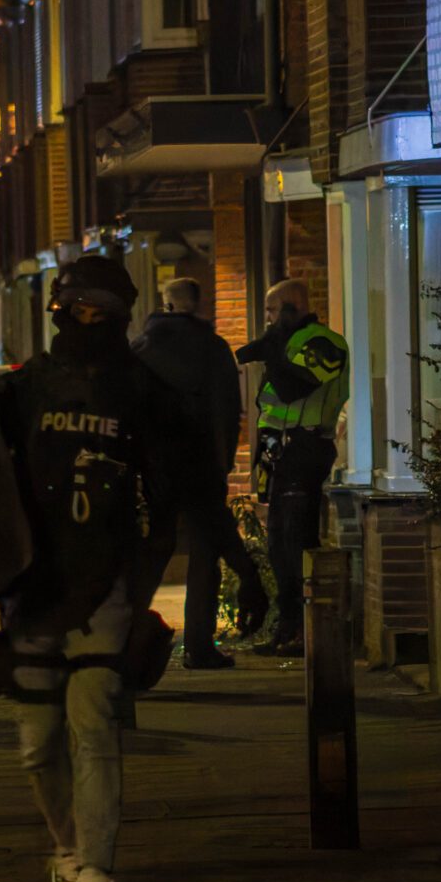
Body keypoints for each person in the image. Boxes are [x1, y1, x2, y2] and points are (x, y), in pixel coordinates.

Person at [0, 254, 194, 882]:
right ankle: (69, 848)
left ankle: (96, 868)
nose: (88, 322)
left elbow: (168, 494)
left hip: (104, 577)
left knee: (94, 722)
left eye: (100, 313)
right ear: (59, 310)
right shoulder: (26, 388)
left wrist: (142, 593)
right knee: (37, 744)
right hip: (33, 583)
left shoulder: (139, 391)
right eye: (80, 309)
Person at [133, 277, 269, 667]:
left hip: (157, 466)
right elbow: (228, 410)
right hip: (201, 463)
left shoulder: (142, 348)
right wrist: (222, 461)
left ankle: (122, 637)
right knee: (205, 551)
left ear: (167, 305)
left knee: (155, 550)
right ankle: (199, 644)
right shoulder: (213, 348)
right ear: (197, 304)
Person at [236, 280, 348, 658]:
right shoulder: (284, 343)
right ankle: (287, 629)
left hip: (306, 448)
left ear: (292, 307)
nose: (267, 319)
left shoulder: (323, 342)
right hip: (279, 452)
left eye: (272, 310)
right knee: (278, 544)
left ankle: (305, 630)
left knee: (297, 541)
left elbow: (290, 388)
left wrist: (273, 352)